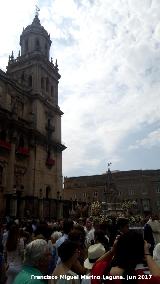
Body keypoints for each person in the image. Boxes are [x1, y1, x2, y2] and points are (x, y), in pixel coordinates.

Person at [91, 231, 160, 284]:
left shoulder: (101, 269)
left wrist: (112, 250)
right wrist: (147, 253)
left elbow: (96, 264)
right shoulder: (141, 278)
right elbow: (158, 278)